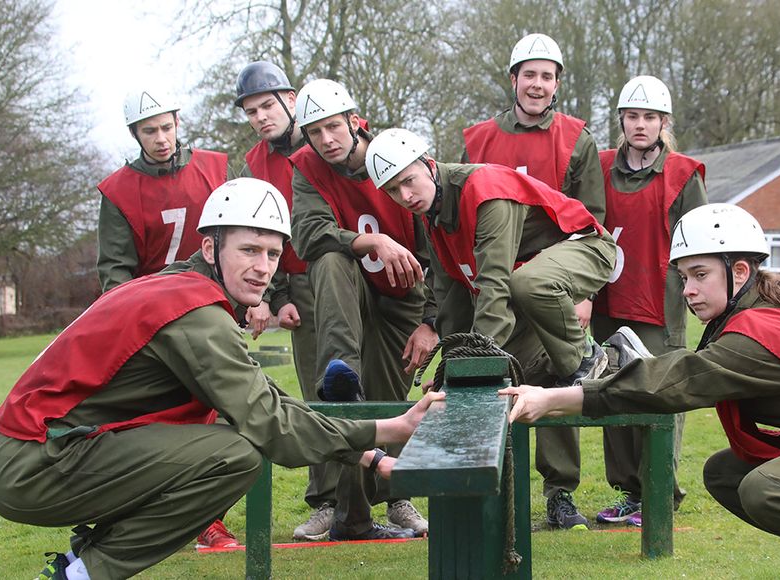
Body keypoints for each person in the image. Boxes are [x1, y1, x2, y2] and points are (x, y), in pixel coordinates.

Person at [0, 178, 445, 580]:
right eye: (247, 250)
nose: (262, 267)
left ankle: (81, 562)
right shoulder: (194, 312)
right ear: (210, 248)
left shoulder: (186, 290)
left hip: (47, 451)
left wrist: (370, 453)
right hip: (34, 463)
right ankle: (82, 572)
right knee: (236, 454)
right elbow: (269, 425)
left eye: (272, 253)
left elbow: (266, 400)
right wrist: (390, 429)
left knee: (229, 439)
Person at [499, 204, 780, 579]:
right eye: (682, 278)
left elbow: (675, 382)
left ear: (740, 271)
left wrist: (552, 398)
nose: (688, 291)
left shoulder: (756, 334)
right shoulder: (752, 318)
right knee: (726, 473)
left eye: (698, 275)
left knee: (766, 489)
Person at [365, 128, 615, 531]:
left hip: (585, 247)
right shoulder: (433, 216)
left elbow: (493, 286)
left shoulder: (484, 190)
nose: (406, 196)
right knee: (522, 369)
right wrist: (451, 372)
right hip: (531, 273)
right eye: (394, 191)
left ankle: (587, 357)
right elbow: (451, 298)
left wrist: (477, 374)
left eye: (408, 180)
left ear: (429, 165)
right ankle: (614, 356)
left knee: (526, 286)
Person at [96, 87, 265, 546]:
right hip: (153, 318)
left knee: (221, 407)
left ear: (177, 123)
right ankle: (134, 516)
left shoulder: (213, 167)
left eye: (167, 127)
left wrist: (256, 297)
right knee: (150, 420)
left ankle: (209, 519)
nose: (161, 138)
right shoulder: (118, 191)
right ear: (135, 134)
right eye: (149, 131)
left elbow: (249, 232)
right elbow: (115, 270)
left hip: (210, 306)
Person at [461, 32, 606, 528]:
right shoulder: (478, 138)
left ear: (557, 83)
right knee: (491, 372)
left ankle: (560, 492)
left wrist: (581, 293)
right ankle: (485, 488)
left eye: (547, 76)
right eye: (529, 75)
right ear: (513, 80)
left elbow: (593, 218)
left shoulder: (577, 138)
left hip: (551, 275)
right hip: (497, 276)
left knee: (559, 373)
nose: (537, 85)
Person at [289, 79, 437, 540]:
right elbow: (308, 235)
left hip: (401, 296)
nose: (327, 140)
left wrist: (431, 321)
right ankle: (335, 503)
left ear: (355, 121)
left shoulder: (393, 153)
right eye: (315, 132)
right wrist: (367, 239)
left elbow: (440, 243)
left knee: (391, 401)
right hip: (345, 294)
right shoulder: (307, 168)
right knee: (332, 259)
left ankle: (398, 497)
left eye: (334, 127)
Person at [591, 75, 707, 526]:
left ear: (664, 122)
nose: (641, 125)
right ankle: (629, 493)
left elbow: (699, 244)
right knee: (612, 392)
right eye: (633, 116)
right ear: (622, 120)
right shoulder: (599, 168)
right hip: (607, 302)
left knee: (658, 395)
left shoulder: (682, 174)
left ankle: (660, 492)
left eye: (651, 117)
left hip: (659, 305)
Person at [234, 61, 337, 542]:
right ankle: (327, 502)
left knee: (377, 384)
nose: (260, 117)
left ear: (290, 100)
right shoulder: (255, 163)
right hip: (299, 286)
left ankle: (389, 494)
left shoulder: (329, 138)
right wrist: (275, 296)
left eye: (266, 106)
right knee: (318, 394)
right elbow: (258, 234)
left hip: (349, 277)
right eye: (251, 111)